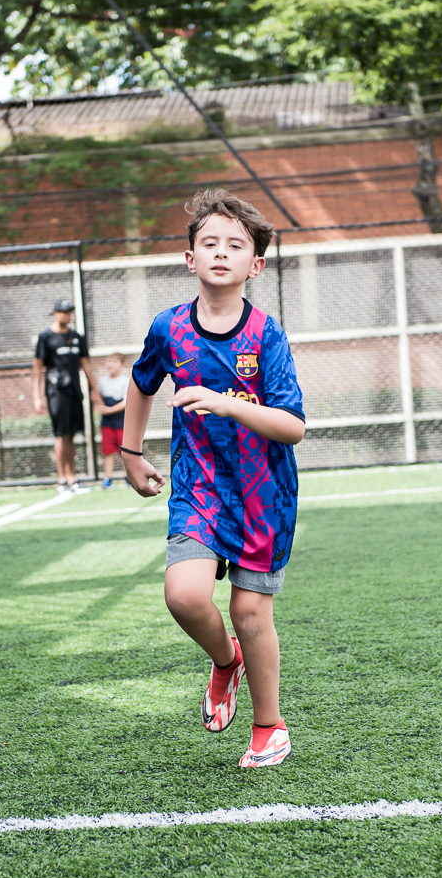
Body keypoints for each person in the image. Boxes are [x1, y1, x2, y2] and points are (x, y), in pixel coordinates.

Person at [121, 189, 305, 768]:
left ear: (256, 264)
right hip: (198, 486)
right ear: (190, 259)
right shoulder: (169, 328)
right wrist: (130, 451)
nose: (220, 253)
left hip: (263, 496)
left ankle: (268, 727)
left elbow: (292, 426)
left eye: (235, 245)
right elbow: (142, 382)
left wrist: (227, 404)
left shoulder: (266, 335)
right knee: (184, 595)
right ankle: (225, 661)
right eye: (209, 243)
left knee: (252, 614)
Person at [32, 298, 95, 491]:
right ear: (55, 313)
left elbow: (86, 366)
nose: (68, 315)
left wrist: (96, 391)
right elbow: (37, 369)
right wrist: (37, 396)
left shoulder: (77, 336)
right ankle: (62, 480)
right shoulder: (45, 338)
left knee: (71, 435)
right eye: (64, 311)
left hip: (74, 391)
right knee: (61, 435)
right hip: (56, 392)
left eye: (70, 312)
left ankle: (72, 478)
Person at [93, 352, 130, 488]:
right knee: (108, 451)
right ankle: (107, 479)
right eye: (109, 361)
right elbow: (98, 398)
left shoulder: (126, 381)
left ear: (122, 365)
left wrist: (110, 410)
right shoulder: (103, 381)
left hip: (121, 422)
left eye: (114, 362)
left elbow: (126, 402)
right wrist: (98, 403)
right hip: (106, 423)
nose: (111, 364)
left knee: (124, 451)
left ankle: (129, 477)